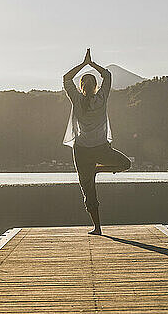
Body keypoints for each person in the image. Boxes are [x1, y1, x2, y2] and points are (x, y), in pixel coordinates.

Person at [62, 48, 131, 235]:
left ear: (81, 86)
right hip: (100, 148)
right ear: (95, 86)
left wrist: (83, 64)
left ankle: (97, 227)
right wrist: (92, 64)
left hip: (82, 151)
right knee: (126, 164)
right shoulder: (102, 98)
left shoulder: (76, 99)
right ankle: (98, 170)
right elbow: (107, 76)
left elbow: (66, 78)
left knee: (88, 189)